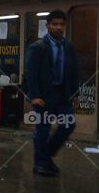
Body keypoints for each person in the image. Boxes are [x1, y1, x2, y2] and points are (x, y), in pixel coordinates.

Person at [25, 10, 78, 177]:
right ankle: (41, 164)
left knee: (68, 124)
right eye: (55, 24)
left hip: (62, 95)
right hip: (43, 96)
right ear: (47, 25)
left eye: (62, 24)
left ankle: (45, 155)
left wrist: (75, 93)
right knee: (43, 129)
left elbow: (73, 71)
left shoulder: (68, 46)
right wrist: (34, 95)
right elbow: (30, 72)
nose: (58, 27)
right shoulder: (38, 47)